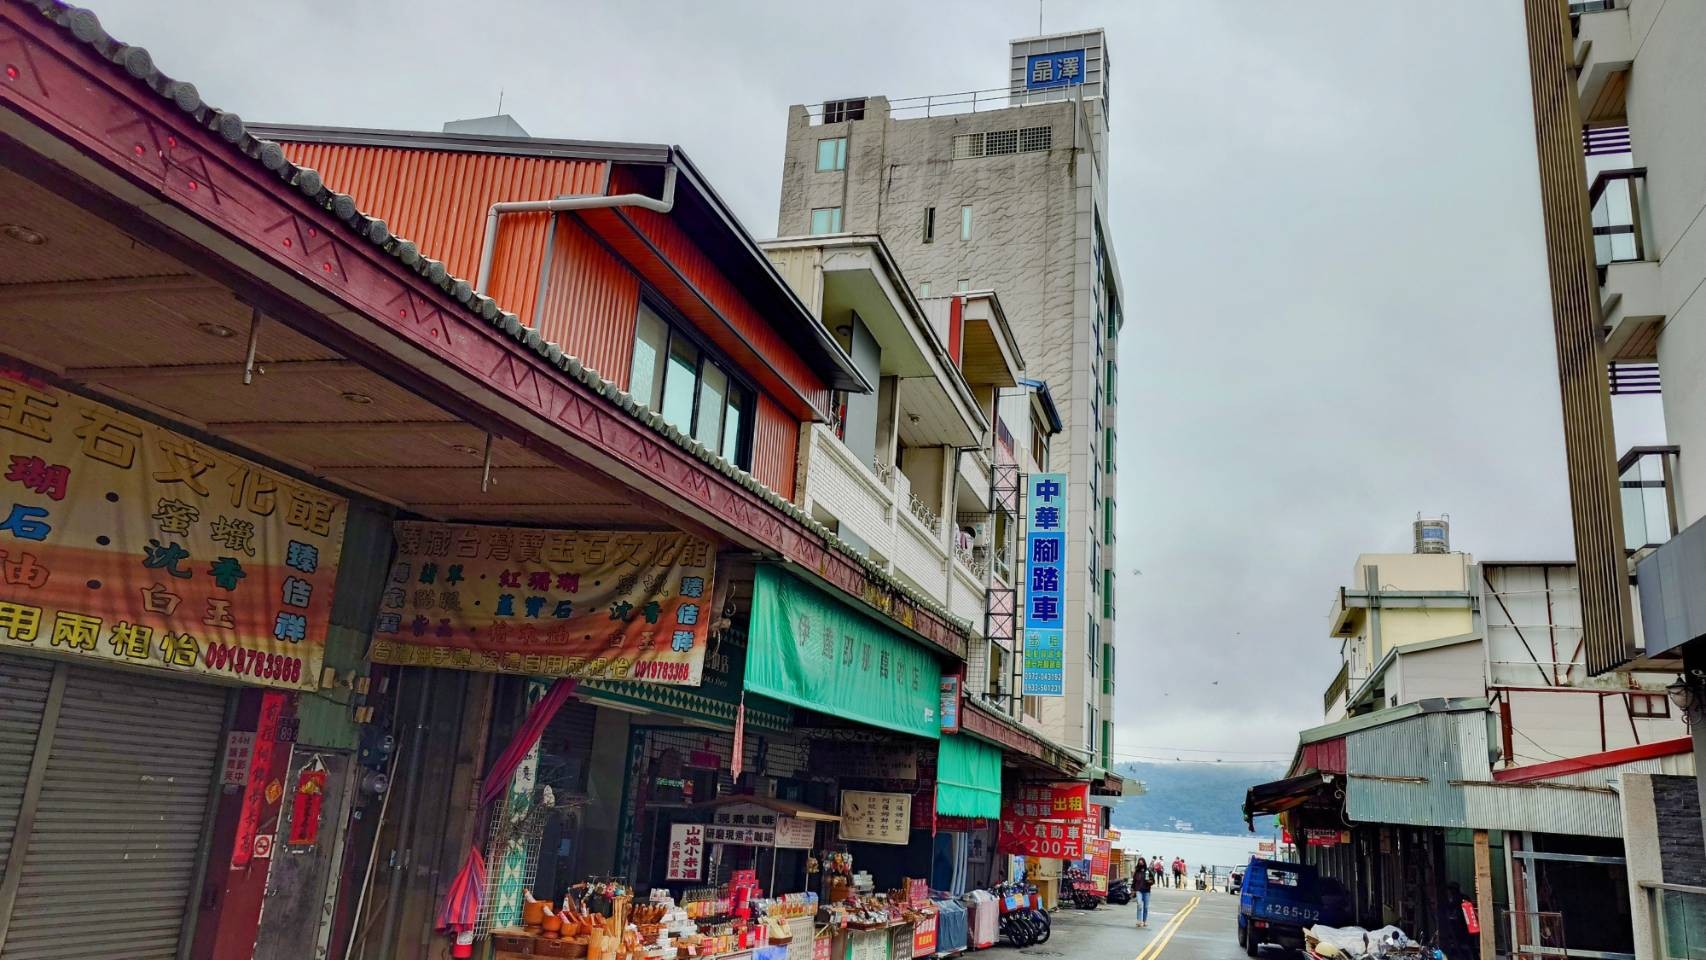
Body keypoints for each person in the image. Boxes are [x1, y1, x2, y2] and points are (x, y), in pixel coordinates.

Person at [1440, 882, 1481, 960]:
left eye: (1451, 890)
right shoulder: (1463, 898)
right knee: (1470, 946)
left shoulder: (1457, 899)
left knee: (1466, 946)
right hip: (1466, 926)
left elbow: (1453, 909)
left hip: (1463, 927)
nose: (1450, 892)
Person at [1133, 858, 1154, 927]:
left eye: (1142, 863)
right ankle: (1139, 921)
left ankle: (1144, 921)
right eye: (1139, 863)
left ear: (1144, 863)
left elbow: (1153, 881)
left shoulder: (1148, 871)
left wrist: (1149, 882)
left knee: (1146, 907)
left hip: (1146, 891)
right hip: (1139, 890)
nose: (1141, 864)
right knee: (1139, 905)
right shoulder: (1137, 872)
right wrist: (1133, 890)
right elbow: (1134, 881)